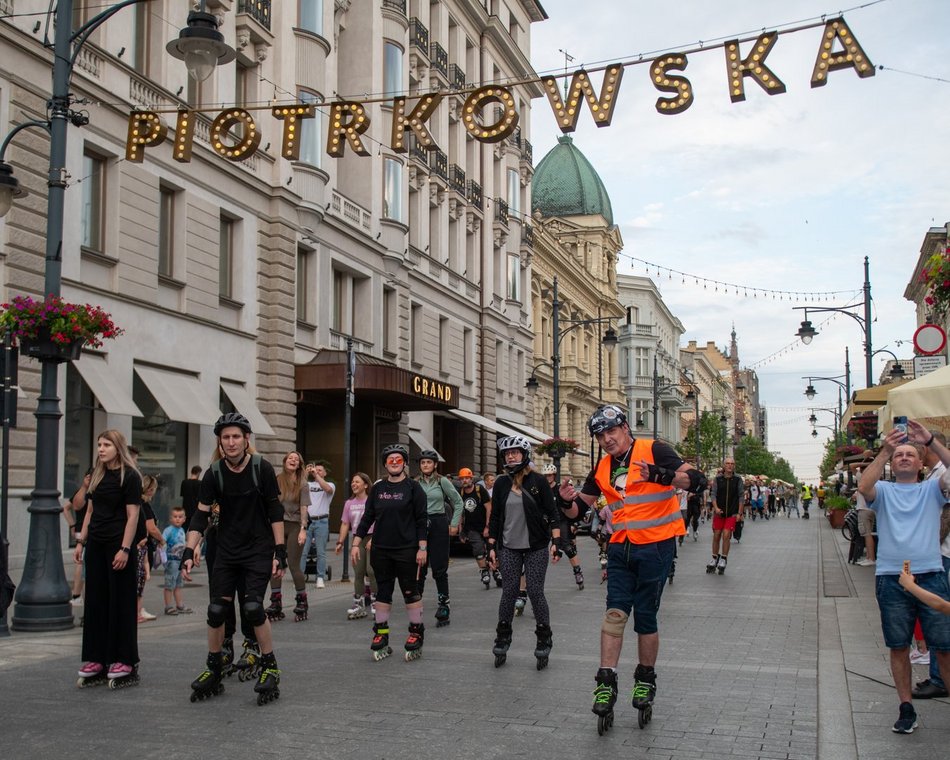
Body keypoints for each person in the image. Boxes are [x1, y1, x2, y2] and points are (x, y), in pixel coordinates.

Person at [559, 404, 705, 724]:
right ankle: (606, 683)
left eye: (611, 431)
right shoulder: (602, 467)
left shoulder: (654, 449)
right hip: (620, 548)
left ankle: (645, 680)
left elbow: (697, 481)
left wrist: (661, 474)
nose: (607, 440)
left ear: (625, 428)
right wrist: (564, 500)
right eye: (601, 436)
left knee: (646, 617)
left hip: (656, 547)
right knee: (614, 615)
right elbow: (577, 511)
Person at [181, 413, 286, 705]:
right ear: (220, 441)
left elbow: (275, 511)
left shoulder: (261, 468)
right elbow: (200, 515)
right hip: (227, 551)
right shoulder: (213, 473)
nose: (231, 442)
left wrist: (280, 551)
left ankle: (270, 666)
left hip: (257, 549)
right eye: (226, 437)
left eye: (236, 436)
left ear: (246, 439)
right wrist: (189, 550)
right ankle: (214, 666)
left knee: (253, 607)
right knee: (216, 610)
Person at [857, 419, 950, 733]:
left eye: (911, 454)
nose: (905, 457)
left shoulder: (932, 489)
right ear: (893, 464)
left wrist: (931, 442)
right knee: (898, 646)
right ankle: (906, 707)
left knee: (944, 647)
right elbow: (863, 487)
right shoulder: (883, 490)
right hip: (892, 577)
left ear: (922, 463)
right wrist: (886, 450)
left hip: (931, 574)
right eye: (900, 455)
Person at [74, 430, 143, 687]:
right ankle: (97, 658)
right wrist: (81, 540)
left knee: (121, 602)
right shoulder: (97, 474)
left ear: (118, 447)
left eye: (106, 445)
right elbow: (89, 510)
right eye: (99, 445)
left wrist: (125, 548)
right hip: (96, 544)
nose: (101, 449)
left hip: (118, 544)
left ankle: (124, 659)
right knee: (96, 601)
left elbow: (133, 515)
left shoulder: (130, 476)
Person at [488, 435, 562, 669]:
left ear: (524, 454)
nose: (511, 456)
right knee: (509, 592)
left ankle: (544, 637)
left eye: (515, 452)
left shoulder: (537, 481)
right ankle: (503, 637)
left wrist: (556, 542)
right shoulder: (501, 483)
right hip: (508, 546)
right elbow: (496, 516)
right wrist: (491, 546)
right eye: (507, 453)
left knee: (535, 591)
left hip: (536, 546)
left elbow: (552, 513)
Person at [350, 444, 428, 662]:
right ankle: (381, 634)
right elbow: (368, 517)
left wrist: (422, 548)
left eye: (398, 459)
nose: (394, 463)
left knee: (410, 592)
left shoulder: (413, 488)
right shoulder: (378, 488)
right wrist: (356, 543)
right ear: (385, 464)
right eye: (390, 460)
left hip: (407, 549)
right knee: (383, 592)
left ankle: (416, 632)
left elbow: (422, 519)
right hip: (381, 550)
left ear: (404, 463)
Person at [912, 430, 950, 699]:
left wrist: (930, 547)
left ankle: (940, 679)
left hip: (942, 554)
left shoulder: (942, 474)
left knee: (939, 616)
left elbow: (946, 516)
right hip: (937, 553)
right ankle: (938, 675)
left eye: (917, 447)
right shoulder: (933, 474)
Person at [416, 450, 463, 627]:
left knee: (439, 567)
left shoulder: (442, 481)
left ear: (435, 465)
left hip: (438, 523)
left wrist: (454, 523)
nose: (425, 465)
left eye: (429, 462)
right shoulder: (415, 483)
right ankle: (416, 603)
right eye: (423, 462)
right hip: (420, 524)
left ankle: (444, 605)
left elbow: (458, 502)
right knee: (419, 566)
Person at [265, 451, 309, 621]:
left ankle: (302, 601)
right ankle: (276, 602)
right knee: (275, 563)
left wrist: (303, 529)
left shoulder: (303, 484)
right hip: (278, 525)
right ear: (285, 462)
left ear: (299, 465)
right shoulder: (277, 479)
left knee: (293, 564)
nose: (293, 460)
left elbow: (304, 507)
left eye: (296, 459)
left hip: (295, 525)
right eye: (290, 458)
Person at [335, 472, 377, 619]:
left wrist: (375, 538)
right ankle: (358, 604)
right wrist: (340, 542)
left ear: (365, 485)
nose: (354, 484)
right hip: (357, 540)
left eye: (357, 482)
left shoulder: (372, 501)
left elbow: (379, 520)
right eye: (352, 482)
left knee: (371, 571)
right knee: (358, 572)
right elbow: (345, 524)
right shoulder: (349, 503)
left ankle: (376, 602)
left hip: (372, 538)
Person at [542, 463, 584, 589]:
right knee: (538, 547)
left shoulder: (559, 489)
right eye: (546, 476)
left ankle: (578, 572)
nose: (548, 478)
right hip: (546, 521)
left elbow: (569, 506)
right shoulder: (541, 489)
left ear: (554, 475)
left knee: (568, 547)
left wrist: (573, 523)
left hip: (561, 520)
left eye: (550, 475)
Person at [458, 466, 498, 589]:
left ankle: (496, 570)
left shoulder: (479, 490)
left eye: (467, 478)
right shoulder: (460, 493)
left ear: (471, 479)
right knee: (478, 550)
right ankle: (484, 571)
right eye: (462, 479)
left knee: (493, 550)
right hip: (471, 528)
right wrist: (461, 531)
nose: (465, 480)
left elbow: (489, 508)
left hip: (485, 526)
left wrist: (487, 526)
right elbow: (460, 512)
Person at [301, 460, 335, 590]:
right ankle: (300, 577)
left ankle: (320, 577)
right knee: (303, 552)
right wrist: (306, 472)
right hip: (307, 522)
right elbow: (299, 485)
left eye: (320, 470)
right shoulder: (308, 484)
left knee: (321, 552)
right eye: (316, 470)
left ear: (325, 473)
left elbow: (328, 490)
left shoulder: (330, 484)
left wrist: (316, 475)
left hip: (322, 521)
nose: (317, 471)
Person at [136, 474, 165, 622]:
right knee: (140, 580)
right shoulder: (144, 505)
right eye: (153, 489)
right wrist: (162, 539)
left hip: (138, 545)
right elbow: (151, 528)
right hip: (144, 546)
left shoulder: (137, 503)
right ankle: (138, 610)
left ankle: (137, 609)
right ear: (150, 489)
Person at [707, 457, 744, 575]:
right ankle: (714, 558)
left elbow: (741, 496)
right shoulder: (718, 479)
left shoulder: (738, 479)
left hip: (732, 512)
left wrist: (740, 513)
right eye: (727, 463)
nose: (730, 465)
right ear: (724, 465)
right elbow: (713, 494)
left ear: (734, 466)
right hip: (719, 512)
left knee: (726, 535)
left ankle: (723, 559)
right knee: (717, 535)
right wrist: (716, 508)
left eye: (732, 463)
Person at [64, 469, 92, 605]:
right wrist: (72, 525)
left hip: (80, 529)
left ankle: (77, 595)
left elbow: (66, 508)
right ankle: (76, 594)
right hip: (83, 531)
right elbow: (73, 506)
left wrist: (72, 525)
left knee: (80, 563)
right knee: (81, 563)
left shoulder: (83, 492)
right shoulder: (84, 492)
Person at [162, 506, 190, 615]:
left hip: (180, 562)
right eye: (175, 516)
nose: (177, 519)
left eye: (180, 516)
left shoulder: (182, 530)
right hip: (171, 561)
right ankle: (168, 606)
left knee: (178, 585)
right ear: (170, 518)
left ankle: (179, 605)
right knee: (169, 584)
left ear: (184, 519)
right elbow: (162, 542)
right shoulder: (168, 530)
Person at [180, 465, 202, 530]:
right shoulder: (200, 483)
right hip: (196, 511)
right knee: (195, 529)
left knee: (184, 528)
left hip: (186, 510)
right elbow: (201, 498)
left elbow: (182, 495)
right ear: (198, 473)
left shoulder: (184, 482)